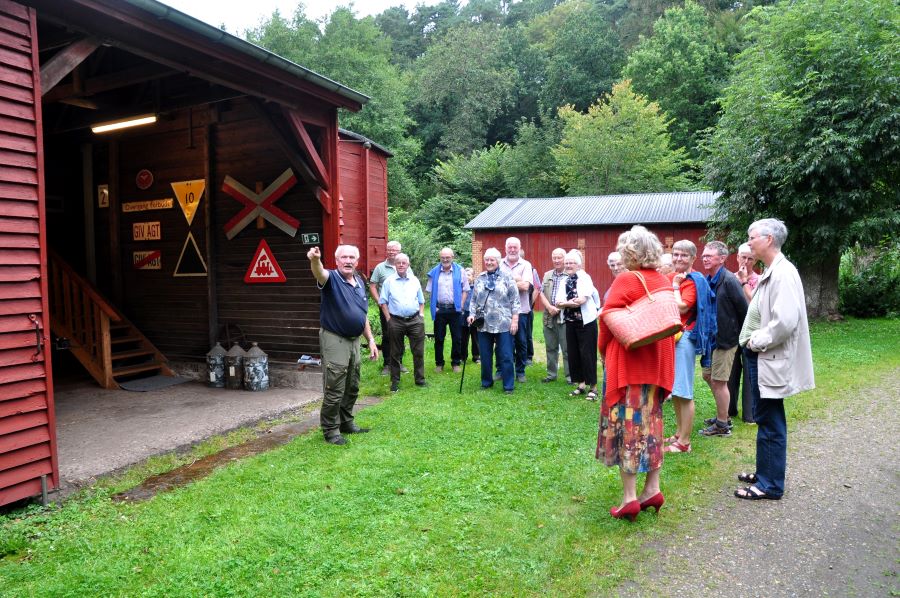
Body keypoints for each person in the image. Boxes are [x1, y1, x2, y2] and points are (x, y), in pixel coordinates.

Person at [597, 225, 675, 521]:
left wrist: (603, 351)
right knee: (652, 424)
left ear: (629, 252)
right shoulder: (664, 281)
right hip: (656, 367)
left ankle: (630, 498)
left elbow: (607, 321)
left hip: (629, 367)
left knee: (628, 426)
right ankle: (652, 489)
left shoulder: (626, 279)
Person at [734, 218, 814, 500]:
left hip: (766, 355)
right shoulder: (774, 270)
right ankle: (765, 472)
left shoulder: (783, 273)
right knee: (766, 416)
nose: (749, 242)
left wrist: (756, 341)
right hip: (762, 356)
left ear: (768, 239)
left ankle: (769, 485)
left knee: (770, 419)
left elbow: (785, 322)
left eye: (752, 237)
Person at [307, 245, 378, 445]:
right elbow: (318, 272)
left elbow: (362, 315)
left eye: (352, 257)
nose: (348, 261)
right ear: (337, 261)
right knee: (335, 386)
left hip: (355, 340)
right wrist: (314, 259)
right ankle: (331, 430)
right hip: (334, 338)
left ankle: (346, 422)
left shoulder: (359, 283)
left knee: (352, 385)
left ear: (357, 261)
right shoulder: (331, 278)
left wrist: (370, 340)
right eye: (344, 257)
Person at [664, 240, 715, 454]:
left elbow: (683, 306)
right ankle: (678, 433)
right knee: (675, 388)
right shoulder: (669, 276)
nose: (678, 259)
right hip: (670, 336)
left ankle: (684, 442)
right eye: (675, 254)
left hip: (685, 336)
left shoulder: (694, 280)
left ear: (693, 258)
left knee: (684, 389)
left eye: (683, 255)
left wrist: (675, 285)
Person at [698, 241, 749, 437]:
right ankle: (724, 414)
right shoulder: (709, 279)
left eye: (709, 256)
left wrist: (739, 337)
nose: (705, 258)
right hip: (711, 339)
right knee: (708, 375)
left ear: (721, 258)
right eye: (704, 255)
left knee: (719, 381)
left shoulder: (729, 280)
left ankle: (722, 425)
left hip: (726, 339)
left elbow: (744, 310)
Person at [468, 248, 520, 394]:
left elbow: (515, 300)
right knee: (485, 355)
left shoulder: (507, 277)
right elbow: (473, 300)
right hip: (484, 323)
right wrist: (471, 314)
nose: (489, 262)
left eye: (492, 260)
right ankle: (486, 382)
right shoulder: (480, 278)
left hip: (504, 323)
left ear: (498, 261)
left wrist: (515, 320)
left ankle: (508, 386)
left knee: (506, 355)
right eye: (487, 260)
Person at [378, 253, 426, 392]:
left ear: (408, 265)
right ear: (395, 265)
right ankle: (395, 382)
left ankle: (420, 380)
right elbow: (383, 302)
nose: (401, 265)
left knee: (418, 351)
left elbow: (421, 301)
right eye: (398, 262)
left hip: (415, 320)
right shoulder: (389, 281)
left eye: (404, 263)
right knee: (395, 352)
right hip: (396, 321)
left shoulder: (414, 280)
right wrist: (388, 319)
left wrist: (421, 315)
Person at [558, 250, 599, 400]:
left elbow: (581, 300)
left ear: (578, 265)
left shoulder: (585, 278)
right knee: (573, 354)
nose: (568, 265)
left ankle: (593, 387)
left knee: (587, 354)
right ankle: (581, 385)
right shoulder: (564, 281)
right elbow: (557, 302)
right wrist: (568, 303)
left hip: (586, 322)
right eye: (566, 263)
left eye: (571, 263)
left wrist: (565, 304)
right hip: (570, 322)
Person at [500, 237, 541, 383]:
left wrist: (507, 282)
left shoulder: (526, 265)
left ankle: (520, 371)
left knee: (521, 342)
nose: (512, 250)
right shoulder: (499, 263)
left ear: (519, 248)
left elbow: (526, 287)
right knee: (502, 342)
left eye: (515, 247)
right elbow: (496, 285)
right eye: (509, 247)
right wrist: (516, 279)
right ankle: (501, 370)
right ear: (505, 248)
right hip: (502, 311)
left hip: (522, 310)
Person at [369, 240, 412, 376]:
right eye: (389, 250)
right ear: (386, 251)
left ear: (399, 251)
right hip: (386, 309)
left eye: (395, 250)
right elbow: (372, 286)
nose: (392, 252)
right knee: (387, 335)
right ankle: (387, 364)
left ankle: (399, 362)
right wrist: (380, 302)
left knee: (400, 334)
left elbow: (411, 284)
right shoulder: (380, 268)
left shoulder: (406, 267)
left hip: (402, 309)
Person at [727, 242, 759, 423]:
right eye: (743, 257)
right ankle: (730, 409)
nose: (746, 261)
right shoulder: (729, 278)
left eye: (750, 258)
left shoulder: (760, 280)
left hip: (751, 331)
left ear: (755, 260)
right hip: (731, 331)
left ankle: (750, 414)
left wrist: (745, 281)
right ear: (737, 257)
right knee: (731, 371)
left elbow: (753, 303)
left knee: (749, 370)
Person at [425, 247, 469, 373]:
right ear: (440, 258)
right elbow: (430, 290)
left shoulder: (460, 271)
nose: (445, 260)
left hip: (455, 310)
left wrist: (460, 305)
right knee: (439, 338)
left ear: (452, 257)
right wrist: (435, 306)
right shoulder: (434, 272)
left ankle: (456, 363)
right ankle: (439, 364)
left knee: (457, 337)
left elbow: (465, 290)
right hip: (440, 310)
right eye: (443, 257)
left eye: (447, 257)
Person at [539, 248, 570, 383]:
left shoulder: (570, 275)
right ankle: (552, 374)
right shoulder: (547, 275)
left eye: (559, 258)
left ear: (565, 259)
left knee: (567, 348)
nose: (556, 260)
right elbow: (540, 292)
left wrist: (559, 307)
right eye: (554, 258)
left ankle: (570, 377)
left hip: (564, 317)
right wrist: (549, 307)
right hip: (548, 316)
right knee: (550, 347)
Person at [460, 267, 480, 364]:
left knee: (475, 337)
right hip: (463, 314)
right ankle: (462, 357)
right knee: (463, 337)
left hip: (474, 315)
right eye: (465, 275)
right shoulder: (460, 287)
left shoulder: (476, 288)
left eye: (469, 275)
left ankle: (476, 357)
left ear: (473, 276)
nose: (467, 277)